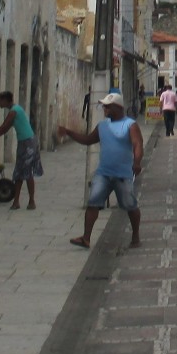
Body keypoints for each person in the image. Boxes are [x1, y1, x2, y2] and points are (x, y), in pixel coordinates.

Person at [57, 92, 143, 250]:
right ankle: (86, 238)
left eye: (107, 107)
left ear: (117, 108)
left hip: (123, 174)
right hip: (103, 173)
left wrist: (137, 162)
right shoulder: (102, 126)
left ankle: (136, 236)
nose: (104, 109)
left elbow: (137, 144)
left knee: (130, 205)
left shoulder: (130, 125)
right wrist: (69, 132)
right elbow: (88, 140)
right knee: (93, 204)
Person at [0, 90, 43, 209]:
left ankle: (29, 201)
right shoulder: (15, 110)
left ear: (5, 100)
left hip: (27, 143)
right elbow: (5, 129)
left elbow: (3, 127)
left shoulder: (14, 111)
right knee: (20, 172)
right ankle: (18, 201)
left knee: (26, 172)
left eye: (0, 100)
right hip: (26, 142)